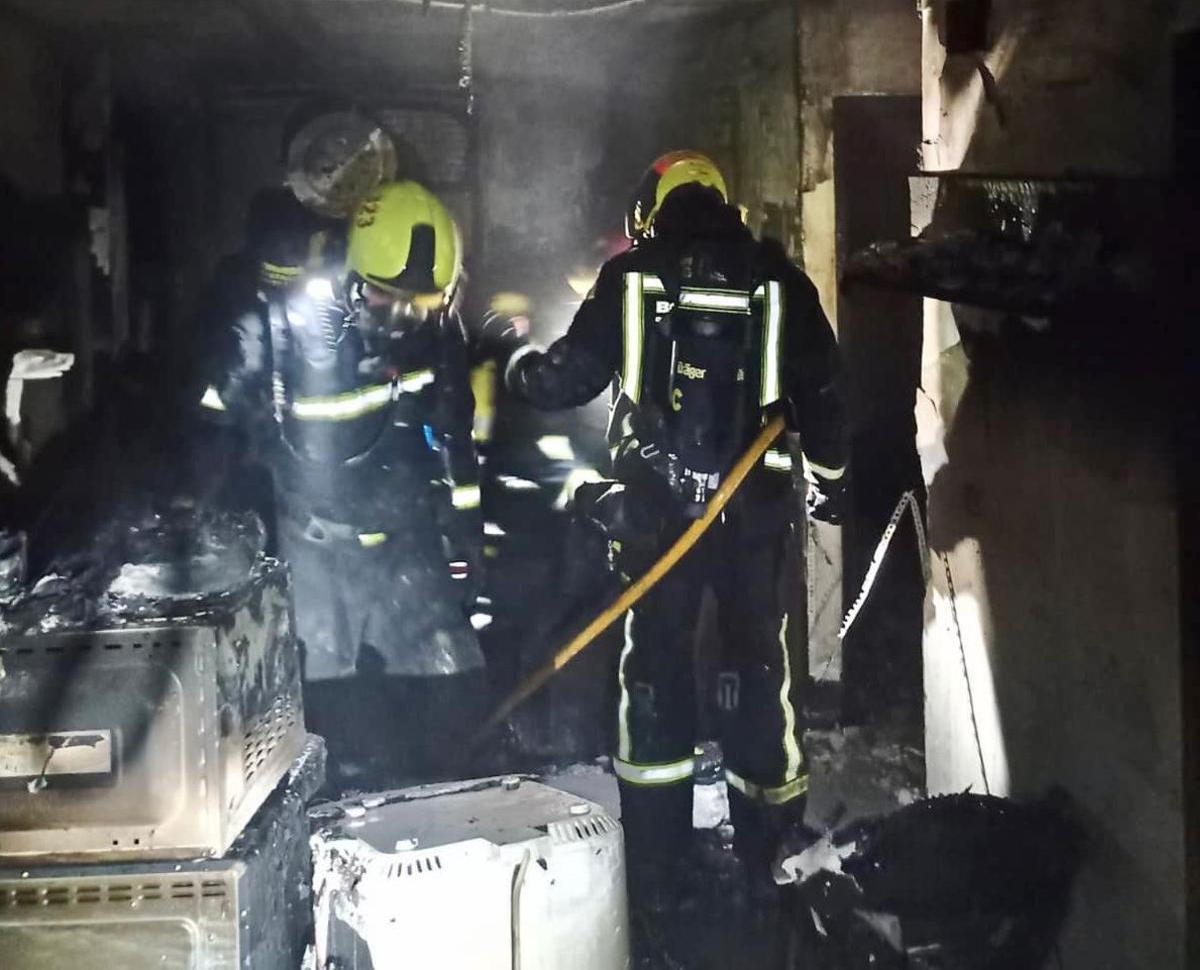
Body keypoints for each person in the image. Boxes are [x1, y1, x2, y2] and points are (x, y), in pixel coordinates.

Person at [490, 150, 847, 907]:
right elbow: (824, 392)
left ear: (649, 211)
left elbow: (563, 381)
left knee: (651, 669)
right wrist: (833, 486)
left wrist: (509, 352)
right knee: (762, 670)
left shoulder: (632, 278)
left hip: (655, 523)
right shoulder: (780, 279)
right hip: (753, 520)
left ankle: (655, 864)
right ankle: (771, 853)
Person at [199, 180, 485, 787]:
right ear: (351, 276)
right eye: (387, 298)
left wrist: (465, 545)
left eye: (423, 303)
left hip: (406, 542)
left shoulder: (437, 332)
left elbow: (454, 442)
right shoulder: (282, 322)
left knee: (452, 704)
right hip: (313, 548)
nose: (405, 317)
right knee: (326, 721)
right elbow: (217, 429)